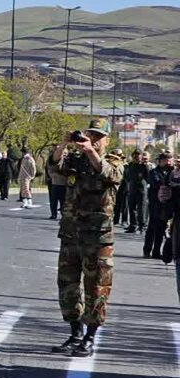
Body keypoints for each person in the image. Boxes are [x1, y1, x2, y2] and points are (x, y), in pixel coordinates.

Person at [51, 118, 124, 356]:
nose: (93, 139)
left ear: (107, 140)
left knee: (97, 287)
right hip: (71, 234)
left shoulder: (114, 161)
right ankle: (75, 333)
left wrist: (91, 151)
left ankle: (90, 337)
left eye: (98, 136)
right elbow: (55, 166)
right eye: (90, 135)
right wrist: (64, 144)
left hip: (97, 238)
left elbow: (110, 174)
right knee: (67, 284)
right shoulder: (77, 160)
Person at [144, 151, 174, 260]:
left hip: (166, 205)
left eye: (170, 160)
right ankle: (147, 250)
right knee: (152, 228)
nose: (169, 162)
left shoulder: (172, 171)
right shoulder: (154, 172)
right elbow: (157, 183)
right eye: (167, 160)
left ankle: (156, 252)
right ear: (161, 161)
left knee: (161, 229)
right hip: (155, 204)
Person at [121, 150, 147, 235]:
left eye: (138, 156)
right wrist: (128, 184)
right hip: (132, 188)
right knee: (131, 208)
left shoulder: (144, 166)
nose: (136, 158)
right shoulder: (129, 166)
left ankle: (142, 226)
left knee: (141, 209)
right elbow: (126, 176)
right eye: (135, 156)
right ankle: (133, 226)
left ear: (141, 157)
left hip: (141, 189)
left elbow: (147, 177)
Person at [46, 145, 67, 220]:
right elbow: (49, 169)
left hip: (64, 183)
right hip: (54, 182)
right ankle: (53, 214)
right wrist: (51, 175)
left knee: (63, 201)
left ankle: (64, 214)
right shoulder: (52, 159)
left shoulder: (68, 160)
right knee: (53, 200)